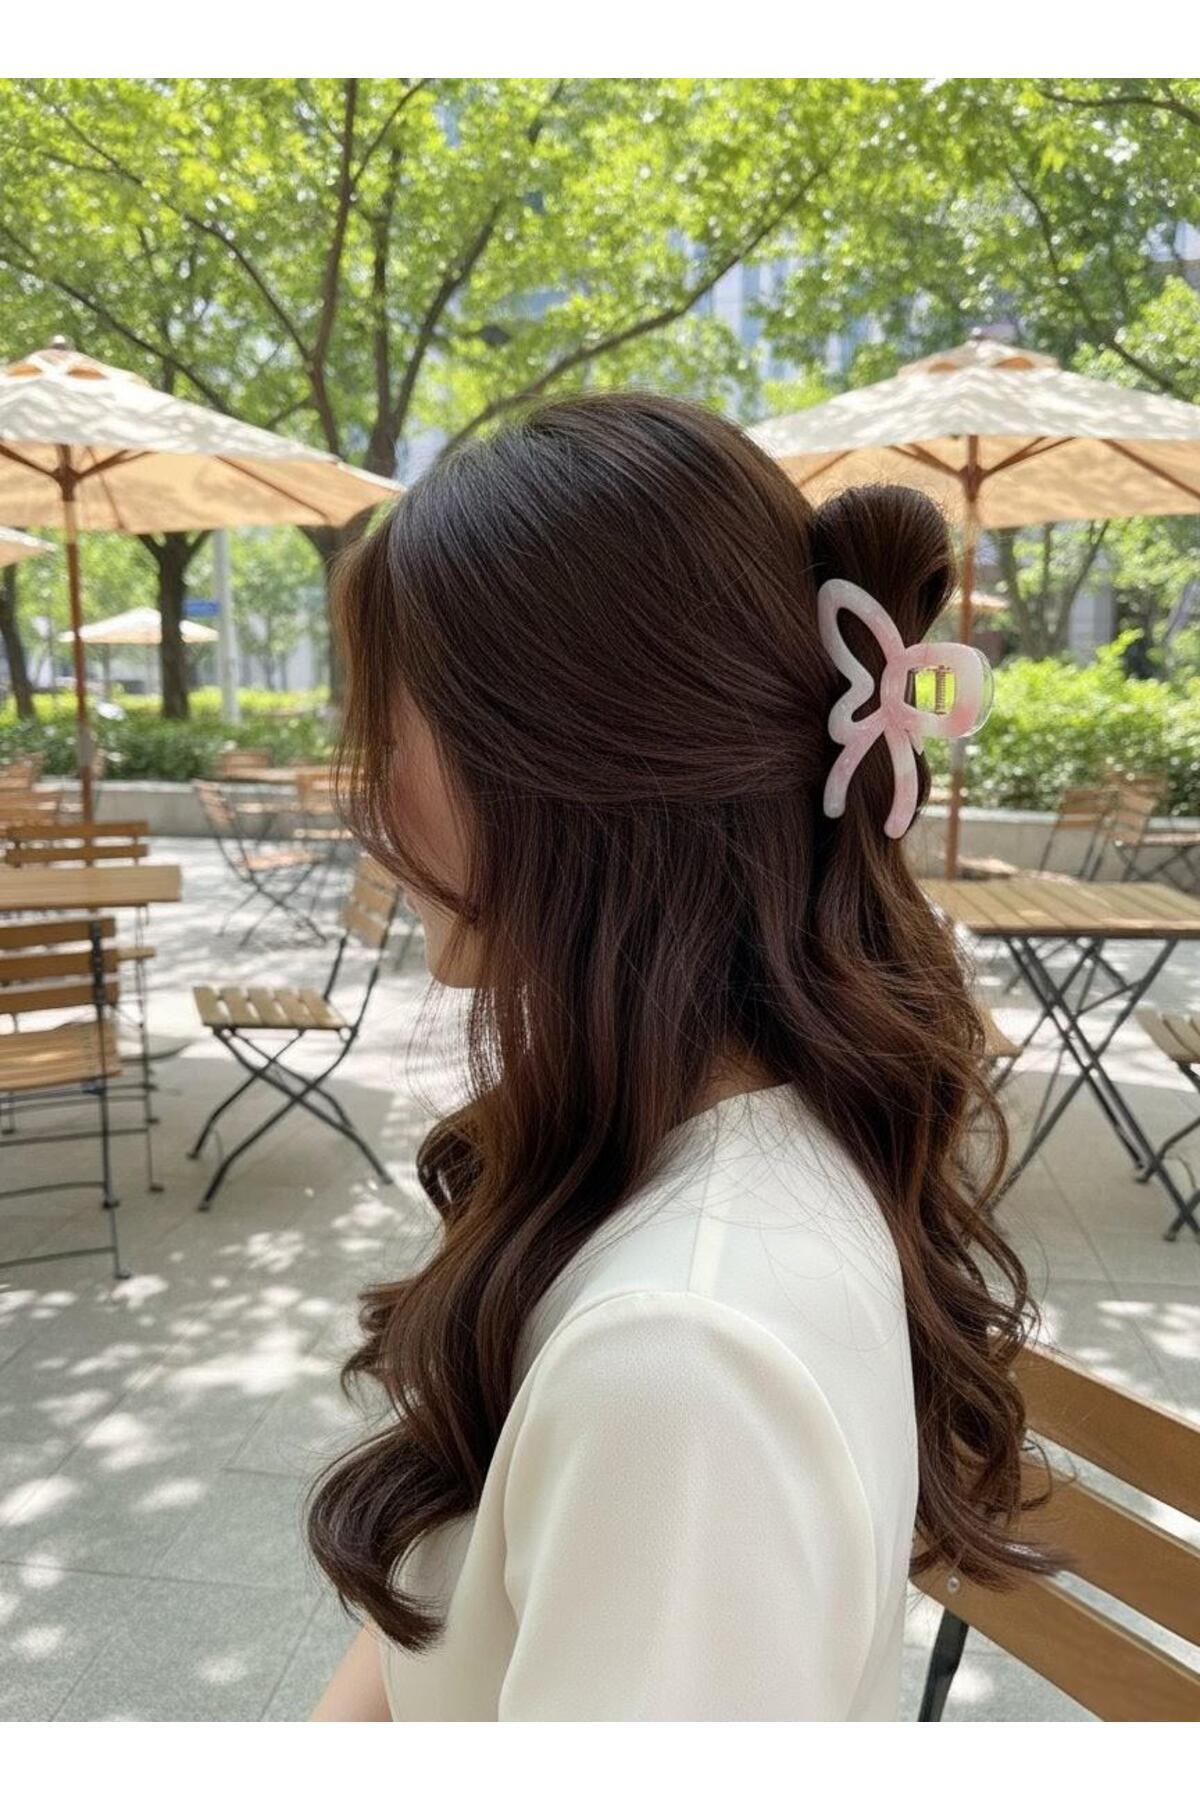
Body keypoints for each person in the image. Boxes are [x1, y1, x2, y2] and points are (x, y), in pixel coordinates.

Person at [307, 391, 1064, 1722]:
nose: (365, 800)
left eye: (389, 729)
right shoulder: (702, 1145)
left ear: (559, 774)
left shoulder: (678, 1364)